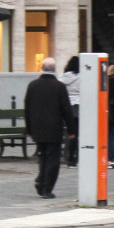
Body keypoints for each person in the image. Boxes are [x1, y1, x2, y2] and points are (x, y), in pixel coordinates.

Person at [24, 57, 76, 199]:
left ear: (42, 68)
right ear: (54, 69)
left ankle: (41, 180)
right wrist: (71, 130)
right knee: (53, 158)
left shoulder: (32, 85)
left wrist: (29, 130)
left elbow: (27, 109)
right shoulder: (59, 86)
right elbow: (66, 110)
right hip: (54, 129)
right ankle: (47, 187)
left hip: (37, 129)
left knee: (42, 156)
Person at [59, 56, 81, 167]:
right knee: (76, 134)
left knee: (69, 133)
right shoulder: (82, 77)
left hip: (66, 106)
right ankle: (75, 157)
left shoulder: (63, 77)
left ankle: (69, 156)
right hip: (78, 105)